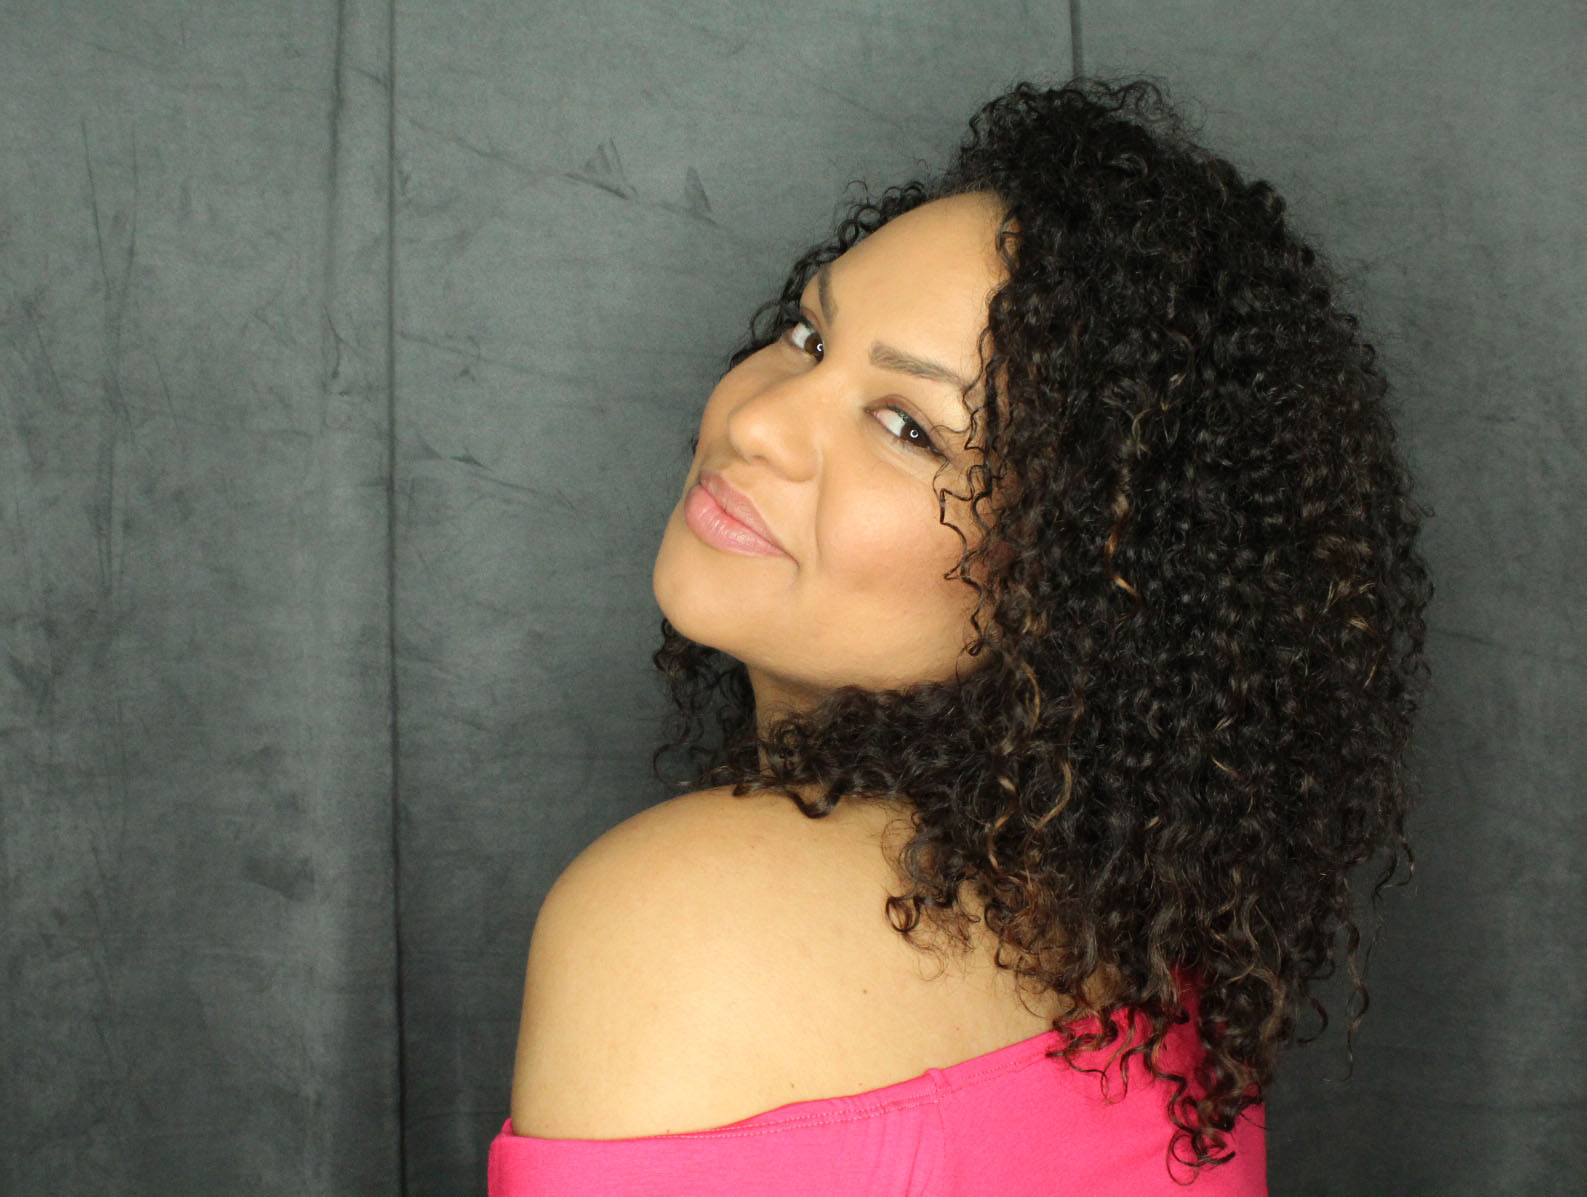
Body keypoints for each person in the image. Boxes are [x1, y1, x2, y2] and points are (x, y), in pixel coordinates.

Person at [488, 78, 1430, 1195]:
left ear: (1075, 582)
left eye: (906, 427)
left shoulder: (677, 920)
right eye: (809, 334)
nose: (755, 419)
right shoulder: (1135, 941)